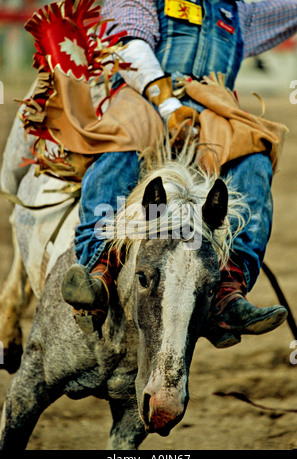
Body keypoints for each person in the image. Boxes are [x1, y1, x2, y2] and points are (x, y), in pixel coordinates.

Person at [26, 0, 297, 347]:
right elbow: (130, 44)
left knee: (254, 159)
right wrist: (169, 106)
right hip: (148, 97)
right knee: (124, 140)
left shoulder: (236, 9)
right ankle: (101, 271)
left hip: (211, 107)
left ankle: (228, 289)